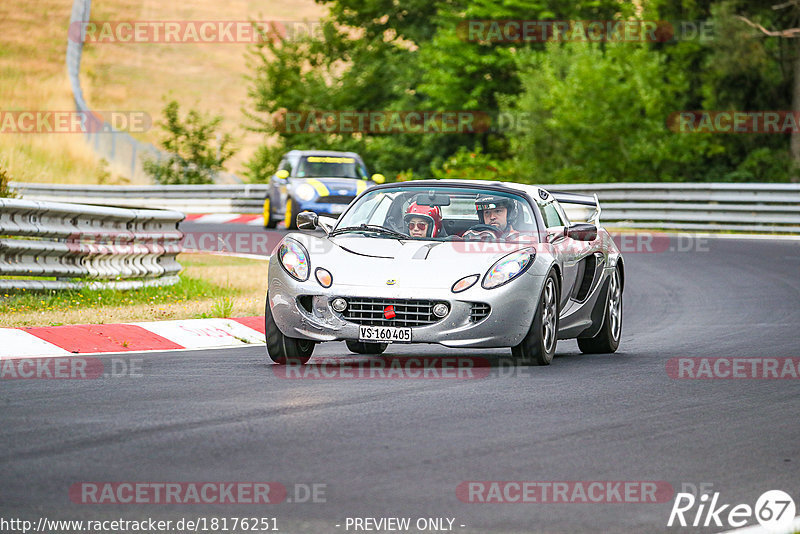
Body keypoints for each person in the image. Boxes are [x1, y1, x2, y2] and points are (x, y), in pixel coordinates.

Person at [463, 195, 534, 242]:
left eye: (498, 211)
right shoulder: (471, 235)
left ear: (510, 214)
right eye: (487, 212)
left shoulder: (521, 240)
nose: (492, 217)